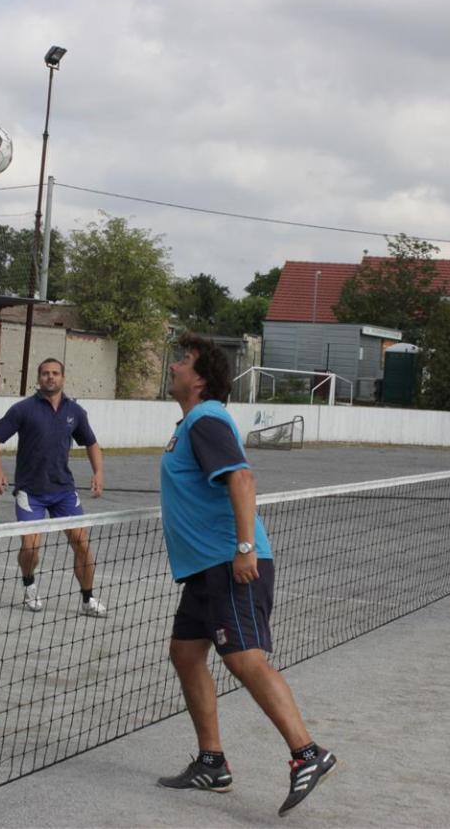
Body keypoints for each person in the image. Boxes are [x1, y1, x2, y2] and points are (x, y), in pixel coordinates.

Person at [156, 333, 336, 817]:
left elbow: (241, 478)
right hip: (204, 570)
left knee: (244, 658)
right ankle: (212, 763)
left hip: (228, 563)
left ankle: (307, 753)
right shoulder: (191, 422)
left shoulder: (206, 419)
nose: (173, 366)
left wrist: (244, 549)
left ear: (200, 379)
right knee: (186, 654)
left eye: (183, 361)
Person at [0, 357, 107, 617]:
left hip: (64, 491)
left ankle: (88, 599)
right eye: (45, 373)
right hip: (31, 492)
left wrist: (98, 473)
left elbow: (92, 443)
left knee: (82, 544)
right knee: (30, 547)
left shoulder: (75, 412)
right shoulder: (23, 409)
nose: (50, 377)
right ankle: (29, 585)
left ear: (63, 378)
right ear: (39, 378)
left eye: (55, 373)